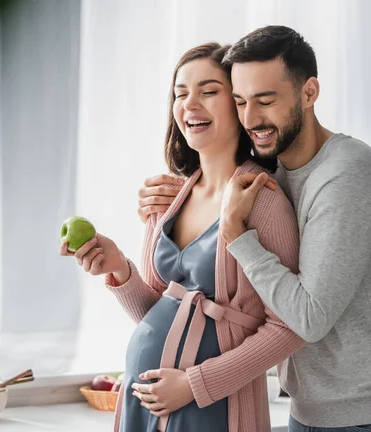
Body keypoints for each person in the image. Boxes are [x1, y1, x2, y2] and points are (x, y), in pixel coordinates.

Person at [60, 42, 305, 432]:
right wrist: (119, 269)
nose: (190, 103)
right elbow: (158, 313)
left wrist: (195, 385)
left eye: (209, 91)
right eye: (180, 93)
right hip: (145, 403)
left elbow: (290, 327)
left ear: (239, 104)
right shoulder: (168, 200)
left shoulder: (262, 201)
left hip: (214, 407)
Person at [140, 27, 371, 432]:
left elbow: (308, 319)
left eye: (265, 101)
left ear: (309, 93)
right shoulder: (274, 169)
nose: (250, 119)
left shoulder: (345, 174)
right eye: (241, 101)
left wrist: (234, 233)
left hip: (354, 414)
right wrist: (184, 201)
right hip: (307, 409)